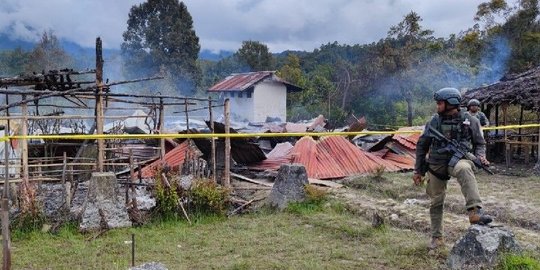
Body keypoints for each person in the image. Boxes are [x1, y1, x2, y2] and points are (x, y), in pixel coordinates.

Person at [413, 87, 493, 250]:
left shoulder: (471, 120)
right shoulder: (434, 122)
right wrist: (418, 171)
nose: (437, 106)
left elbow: (479, 144)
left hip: (458, 160)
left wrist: (480, 156)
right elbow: (422, 146)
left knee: (464, 169)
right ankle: (437, 238)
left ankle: (474, 212)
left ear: (451, 104)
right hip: (436, 164)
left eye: (440, 103)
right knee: (436, 201)